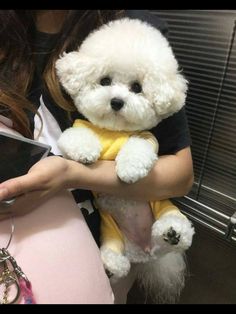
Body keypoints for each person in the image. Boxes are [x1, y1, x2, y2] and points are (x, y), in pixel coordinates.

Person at [0, 10, 194, 304]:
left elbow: (180, 175)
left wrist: (72, 174)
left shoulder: (132, 31)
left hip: (97, 252)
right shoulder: (8, 27)